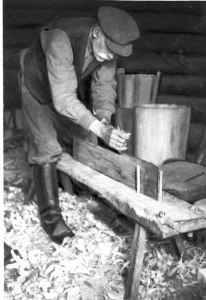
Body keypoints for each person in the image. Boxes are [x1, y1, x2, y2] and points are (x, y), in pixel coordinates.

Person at [19, 6, 140, 245]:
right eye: (109, 49)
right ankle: (51, 219)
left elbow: (104, 87)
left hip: (65, 94)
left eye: (117, 53)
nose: (111, 57)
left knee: (87, 140)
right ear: (96, 32)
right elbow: (63, 100)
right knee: (46, 147)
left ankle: (87, 198)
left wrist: (104, 120)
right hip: (36, 88)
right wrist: (99, 128)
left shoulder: (108, 46)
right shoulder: (60, 38)